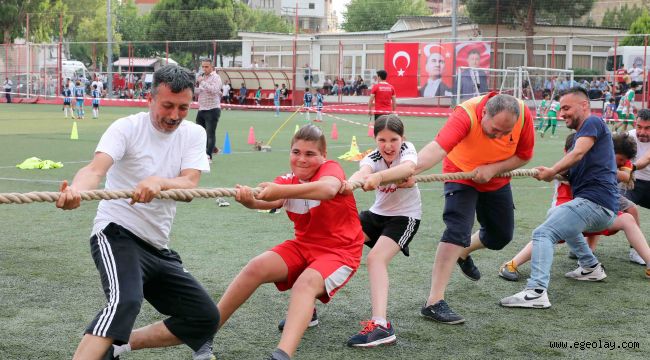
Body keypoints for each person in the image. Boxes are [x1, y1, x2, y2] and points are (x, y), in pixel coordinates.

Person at [55, 65, 219, 360]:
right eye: (167, 105)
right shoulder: (126, 128)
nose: (174, 116)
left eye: (183, 107)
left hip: (157, 247)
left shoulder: (194, 132)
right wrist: (76, 191)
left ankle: (116, 346)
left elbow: (190, 183)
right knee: (125, 302)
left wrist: (159, 182)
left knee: (205, 316)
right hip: (117, 233)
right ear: (150, 98)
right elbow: (95, 170)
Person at [203, 125, 364, 360]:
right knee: (256, 267)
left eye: (310, 154)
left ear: (323, 156)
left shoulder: (331, 170)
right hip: (303, 247)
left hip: (341, 252)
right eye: (296, 152)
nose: (302, 159)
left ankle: (281, 355)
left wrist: (283, 190)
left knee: (305, 284)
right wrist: (250, 201)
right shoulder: (287, 180)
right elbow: (267, 202)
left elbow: (328, 189)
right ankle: (206, 333)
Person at [414, 92, 535, 323]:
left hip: (496, 178)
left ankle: (463, 253)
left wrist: (493, 169)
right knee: (457, 230)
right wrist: (409, 171)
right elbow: (438, 149)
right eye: (495, 129)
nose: (499, 136)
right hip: (461, 173)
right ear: (484, 114)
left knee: (500, 236)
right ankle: (433, 302)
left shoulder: (523, 115)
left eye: (505, 133)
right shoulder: (465, 114)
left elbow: (524, 155)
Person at [500, 87, 619, 309]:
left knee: (543, 233)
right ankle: (591, 267)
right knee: (555, 215)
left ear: (584, 105)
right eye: (561, 108)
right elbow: (571, 171)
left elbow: (578, 154)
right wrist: (551, 173)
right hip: (600, 205)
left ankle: (536, 292)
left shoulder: (592, 123)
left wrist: (552, 169)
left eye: (566, 108)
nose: (561, 113)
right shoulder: (581, 138)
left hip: (596, 202)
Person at [499, 132, 650, 281]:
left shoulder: (603, 162)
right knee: (553, 229)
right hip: (572, 214)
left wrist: (602, 169)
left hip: (595, 214)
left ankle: (592, 262)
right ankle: (513, 264)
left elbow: (624, 175)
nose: (622, 163)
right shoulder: (577, 164)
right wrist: (555, 173)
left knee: (627, 218)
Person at [344, 115, 421, 347]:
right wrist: (350, 183)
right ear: (375, 139)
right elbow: (362, 173)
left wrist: (379, 177)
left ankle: (381, 326)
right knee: (338, 244)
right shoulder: (372, 157)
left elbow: (407, 168)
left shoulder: (408, 150)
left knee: (376, 259)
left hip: (404, 218)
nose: (388, 146)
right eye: (382, 139)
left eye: (393, 139)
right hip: (376, 215)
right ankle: (309, 307)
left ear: (402, 139)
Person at [624, 108, 650, 265]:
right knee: (604, 203)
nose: (642, 132)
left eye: (647, 128)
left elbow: (647, 159)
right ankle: (636, 250)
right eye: (639, 127)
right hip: (631, 183)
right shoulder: (627, 137)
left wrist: (630, 167)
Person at [195, 59, 223, 161]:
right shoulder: (202, 77)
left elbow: (215, 90)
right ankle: (212, 149)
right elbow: (201, 91)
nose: (204, 69)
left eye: (206, 67)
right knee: (199, 132)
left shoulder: (216, 77)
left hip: (212, 109)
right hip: (201, 108)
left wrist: (202, 82)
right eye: (203, 66)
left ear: (212, 67)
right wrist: (192, 90)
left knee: (210, 133)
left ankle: (208, 156)